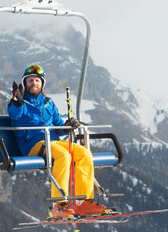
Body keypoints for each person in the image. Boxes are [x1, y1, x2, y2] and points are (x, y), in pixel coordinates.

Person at [7, 64, 108, 219]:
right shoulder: (18, 102)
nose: (34, 83)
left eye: (37, 80)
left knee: (84, 153)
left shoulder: (48, 103)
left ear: (42, 84)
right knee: (63, 156)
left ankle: (83, 203)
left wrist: (67, 126)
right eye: (30, 81)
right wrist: (18, 101)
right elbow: (15, 116)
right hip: (33, 145)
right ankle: (58, 205)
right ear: (25, 84)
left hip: (53, 141)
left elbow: (57, 126)